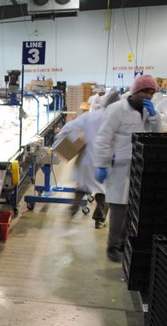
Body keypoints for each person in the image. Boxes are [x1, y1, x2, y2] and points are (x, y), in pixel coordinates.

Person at [94, 75, 163, 262]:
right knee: (119, 208)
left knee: (133, 208)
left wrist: (154, 117)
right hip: (120, 166)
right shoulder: (117, 109)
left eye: (151, 93)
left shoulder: (148, 111)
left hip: (139, 165)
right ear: (135, 91)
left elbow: (158, 133)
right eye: (145, 92)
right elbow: (103, 137)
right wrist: (101, 164)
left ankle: (124, 244)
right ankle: (113, 247)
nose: (148, 96)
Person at [56, 89, 120, 229]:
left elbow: (68, 128)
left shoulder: (90, 116)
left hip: (86, 159)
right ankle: (99, 220)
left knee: (82, 187)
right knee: (104, 192)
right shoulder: (117, 120)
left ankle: (72, 211)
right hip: (105, 162)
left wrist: (64, 140)